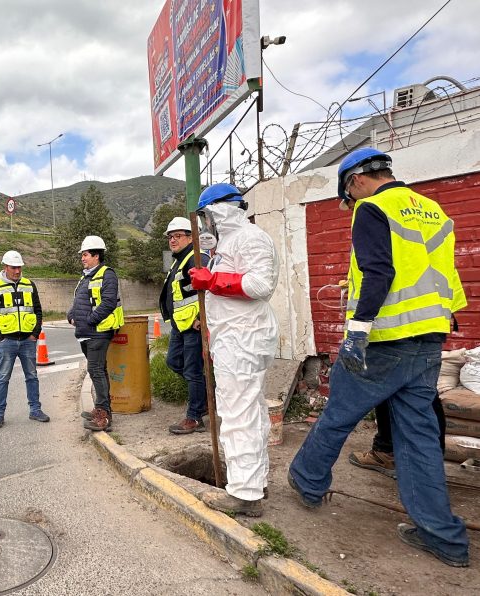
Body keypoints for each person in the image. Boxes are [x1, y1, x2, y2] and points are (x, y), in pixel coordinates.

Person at [289, 148, 470, 567]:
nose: (351, 204)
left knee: (338, 414)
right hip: (429, 336)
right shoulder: (432, 209)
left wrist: (357, 330)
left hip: (384, 340)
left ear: (354, 182)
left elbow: (379, 272)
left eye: (348, 197)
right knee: (419, 436)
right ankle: (443, 537)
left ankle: (307, 482)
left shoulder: (372, 208)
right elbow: (436, 274)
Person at [189, 183, 279, 517]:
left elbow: (259, 285)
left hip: (243, 339)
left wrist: (210, 282)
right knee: (250, 411)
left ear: (221, 210)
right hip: (234, 338)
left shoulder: (250, 237)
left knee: (238, 414)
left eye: (206, 216)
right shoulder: (229, 243)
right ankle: (255, 482)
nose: (204, 224)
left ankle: (244, 493)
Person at [0, 250, 49, 428]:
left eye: (19, 267)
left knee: (32, 376)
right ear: (5, 267)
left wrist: (35, 334)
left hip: (28, 341)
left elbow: (37, 310)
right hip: (7, 342)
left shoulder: (30, 285)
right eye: (14, 267)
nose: (18, 271)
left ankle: (35, 410)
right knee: (2, 378)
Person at [159, 217, 210, 435]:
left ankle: (195, 417)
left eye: (178, 236)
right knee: (173, 362)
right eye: (171, 236)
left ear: (192, 237)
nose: (172, 240)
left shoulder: (197, 258)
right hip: (180, 325)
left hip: (193, 325)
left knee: (192, 371)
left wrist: (202, 316)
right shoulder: (178, 260)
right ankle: (206, 395)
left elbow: (208, 288)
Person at [70, 235, 124, 432]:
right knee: (98, 370)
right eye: (82, 255)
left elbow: (108, 303)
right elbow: (79, 300)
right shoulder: (86, 276)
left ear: (96, 255)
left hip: (98, 332)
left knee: (95, 370)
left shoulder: (107, 274)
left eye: (85, 255)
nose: (82, 258)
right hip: (86, 332)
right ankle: (102, 408)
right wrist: (71, 314)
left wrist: (90, 320)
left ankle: (104, 414)